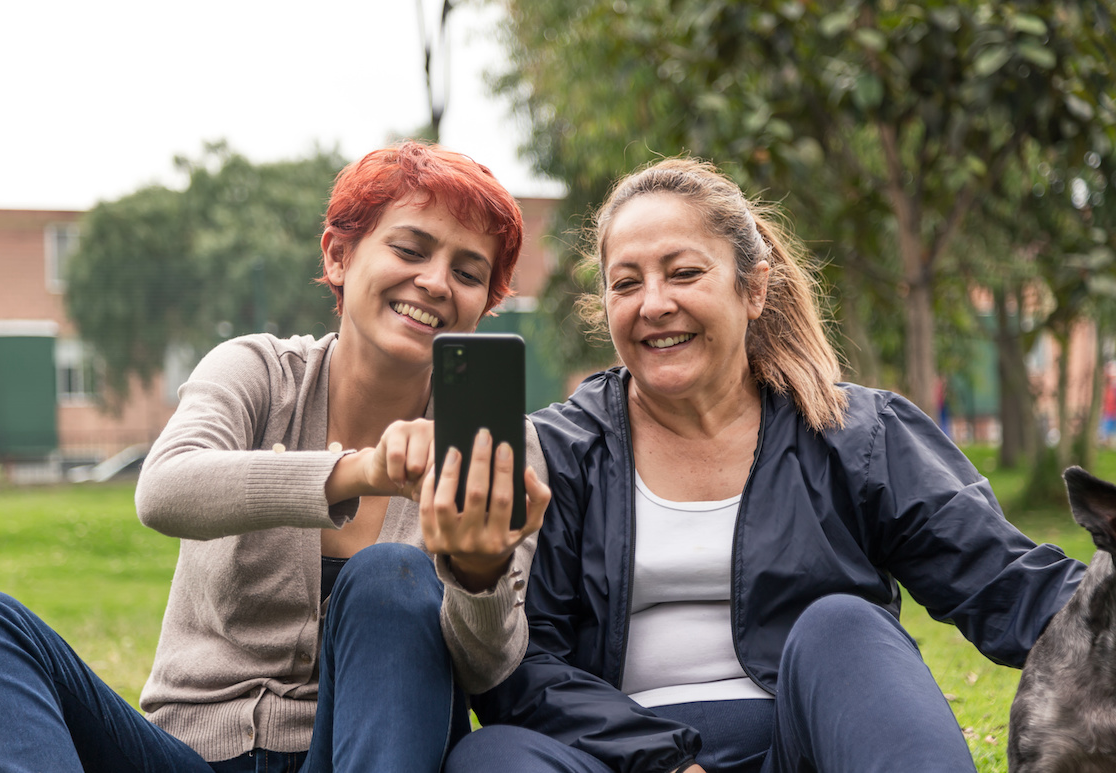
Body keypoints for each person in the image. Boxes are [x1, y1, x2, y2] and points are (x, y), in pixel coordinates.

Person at [448, 157, 1084, 773]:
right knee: (493, 756)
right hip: (618, 757)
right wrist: (659, 759)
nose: (654, 303)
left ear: (752, 288)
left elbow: (1008, 585)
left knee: (843, 624)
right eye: (626, 282)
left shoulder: (856, 436)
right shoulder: (555, 455)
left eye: (683, 272)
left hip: (804, 747)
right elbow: (524, 664)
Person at [0, 140, 550, 773]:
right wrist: (361, 470)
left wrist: (479, 576)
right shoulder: (259, 373)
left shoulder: (495, 445)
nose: (435, 282)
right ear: (339, 255)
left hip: (358, 753)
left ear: (485, 305)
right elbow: (166, 488)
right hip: (186, 757)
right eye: (409, 250)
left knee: (393, 576)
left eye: (467, 272)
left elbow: (488, 667)